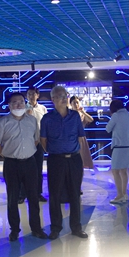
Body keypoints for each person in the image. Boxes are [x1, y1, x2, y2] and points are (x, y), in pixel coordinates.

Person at [0, 92, 50, 242]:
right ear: (9, 105)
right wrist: (9, 154)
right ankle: (14, 230)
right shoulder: (2, 123)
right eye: (15, 102)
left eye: (21, 102)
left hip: (30, 163)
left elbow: (36, 140)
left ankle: (36, 228)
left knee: (33, 197)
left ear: (25, 104)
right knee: (12, 198)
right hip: (11, 164)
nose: (18, 105)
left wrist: (26, 152)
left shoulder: (32, 121)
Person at [40, 85, 90, 239]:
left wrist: (73, 151)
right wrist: (55, 151)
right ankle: (55, 227)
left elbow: (80, 137)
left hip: (74, 159)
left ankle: (76, 227)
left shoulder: (74, 116)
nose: (63, 99)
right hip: (56, 159)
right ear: (53, 99)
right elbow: (43, 140)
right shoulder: (47, 118)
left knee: (75, 193)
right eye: (60, 96)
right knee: (54, 194)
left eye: (65, 96)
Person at [105, 99, 129, 205]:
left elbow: (108, 129)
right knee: (124, 171)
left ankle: (119, 195)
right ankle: (124, 194)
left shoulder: (116, 116)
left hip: (119, 146)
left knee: (115, 171)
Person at [24, 87, 48, 202]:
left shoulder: (42, 108)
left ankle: (38, 193)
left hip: (39, 142)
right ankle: (23, 194)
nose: (31, 96)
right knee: (25, 169)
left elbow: (46, 124)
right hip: (26, 142)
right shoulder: (23, 108)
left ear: (37, 95)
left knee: (38, 169)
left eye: (33, 94)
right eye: (29, 94)